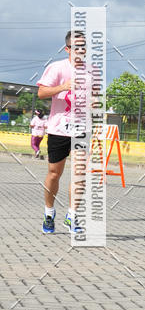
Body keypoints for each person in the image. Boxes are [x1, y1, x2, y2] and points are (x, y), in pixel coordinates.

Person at [37, 31, 86, 234]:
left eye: (84, 47)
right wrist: (63, 86)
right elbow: (41, 93)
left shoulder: (92, 71)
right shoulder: (57, 67)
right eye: (77, 47)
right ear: (68, 49)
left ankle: (72, 217)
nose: (81, 51)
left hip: (82, 129)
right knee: (54, 174)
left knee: (80, 174)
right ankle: (49, 213)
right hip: (59, 128)